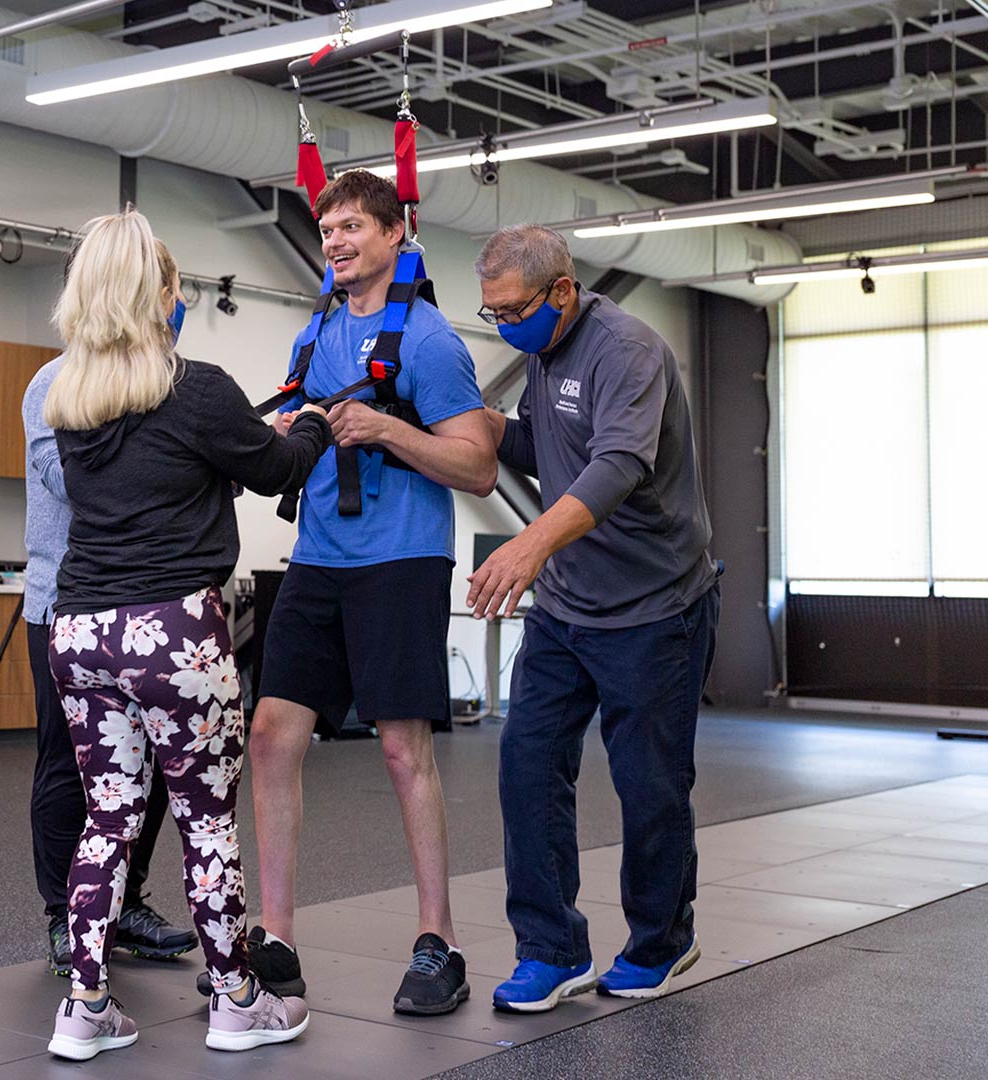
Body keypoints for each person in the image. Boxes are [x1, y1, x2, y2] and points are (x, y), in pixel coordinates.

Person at [41, 209, 330, 1062]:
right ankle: (238, 1000)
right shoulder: (194, 386)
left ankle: (85, 1006)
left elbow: (157, 473)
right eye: (177, 288)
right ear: (156, 295)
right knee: (208, 822)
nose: (183, 301)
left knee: (107, 821)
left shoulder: (70, 398)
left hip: (82, 631)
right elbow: (273, 469)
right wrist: (307, 423)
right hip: (173, 633)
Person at [242, 170, 496, 1017]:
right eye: (327, 230)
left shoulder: (427, 341)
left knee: (400, 749)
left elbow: (479, 465)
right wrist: (281, 433)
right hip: (319, 557)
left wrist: (388, 426)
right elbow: (294, 440)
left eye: (354, 226)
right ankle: (275, 936)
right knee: (273, 736)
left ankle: (439, 942)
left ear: (395, 236)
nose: (338, 241)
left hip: (401, 560)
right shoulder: (312, 340)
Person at [467, 223, 718, 1013]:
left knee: (649, 783)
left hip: (657, 608)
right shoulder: (544, 353)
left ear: (564, 292)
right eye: (492, 316)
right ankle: (550, 949)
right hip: (569, 609)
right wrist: (467, 423)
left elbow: (616, 463)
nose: (505, 328)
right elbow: (552, 445)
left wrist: (527, 547)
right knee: (527, 763)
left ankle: (661, 939)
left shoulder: (628, 348)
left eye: (513, 312)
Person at [23, 245, 195, 978]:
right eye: (162, 289)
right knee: (72, 767)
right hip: (65, 605)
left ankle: (119, 901)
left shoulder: (166, 383)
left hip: (148, 607)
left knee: (150, 767)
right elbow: (77, 485)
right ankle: (66, 915)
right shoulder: (53, 382)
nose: (170, 302)